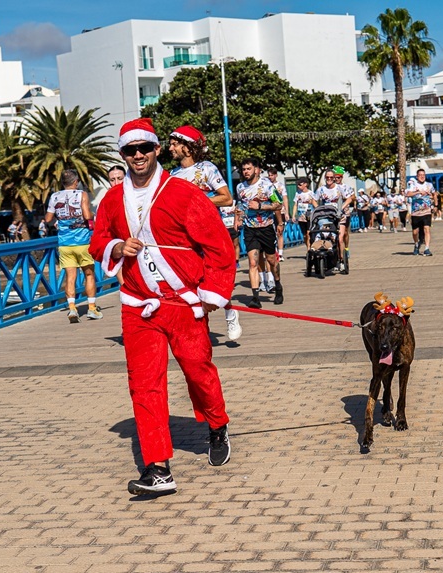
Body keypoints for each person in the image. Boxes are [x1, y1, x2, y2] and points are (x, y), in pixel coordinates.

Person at [88, 118, 235, 495]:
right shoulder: (111, 198)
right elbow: (99, 239)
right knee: (144, 385)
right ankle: (158, 469)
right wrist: (117, 248)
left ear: (156, 150)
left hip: (184, 304)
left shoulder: (183, 193)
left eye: (144, 148)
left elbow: (220, 247)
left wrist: (213, 293)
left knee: (198, 371)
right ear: (122, 155)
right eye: (129, 150)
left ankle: (217, 425)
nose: (137, 155)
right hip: (137, 306)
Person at [168, 125, 241, 341]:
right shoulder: (173, 174)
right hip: (183, 236)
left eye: (174, 144)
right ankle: (200, 329)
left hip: (208, 233)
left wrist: (198, 202)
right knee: (190, 281)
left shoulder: (206, 168)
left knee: (214, 277)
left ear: (188, 148)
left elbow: (226, 198)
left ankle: (230, 312)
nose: (170, 148)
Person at [45, 169, 101, 323]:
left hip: (64, 243)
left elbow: (48, 218)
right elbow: (87, 215)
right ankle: (91, 308)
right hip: (82, 242)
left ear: (63, 182)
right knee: (89, 274)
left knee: (70, 276)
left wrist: (61, 217)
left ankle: (72, 309)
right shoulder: (81, 194)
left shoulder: (55, 196)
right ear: (76, 181)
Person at [235, 157, 283, 308]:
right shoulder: (240, 187)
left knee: (271, 260)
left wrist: (261, 205)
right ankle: (255, 297)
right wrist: (237, 218)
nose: (246, 172)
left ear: (256, 169)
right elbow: (241, 206)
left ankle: (278, 286)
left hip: (266, 227)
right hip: (250, 229)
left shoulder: (267, 186)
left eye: (248, 169)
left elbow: (278, 204)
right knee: (253, 262)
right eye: (243, 169)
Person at [406, 168, 436, 256]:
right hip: (416, 212)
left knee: (427, 229)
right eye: (420, 175)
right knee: (415, 232)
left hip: (426, 211)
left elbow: (434, 194)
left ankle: (427, 248)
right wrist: (418, 191)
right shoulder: (413, 185)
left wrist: (435, 205)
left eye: (423, 175)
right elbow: (408, 194)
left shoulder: (429, 185)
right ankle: (416, 244)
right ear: (417, 176)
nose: (422, 177)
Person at [266, 167, 290, 261]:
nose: (270, 177)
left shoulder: (280, 186)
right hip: (269, 211)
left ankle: (280, 253)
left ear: (276, 175)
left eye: (272, 175)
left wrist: (287, 212)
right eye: (269, 175)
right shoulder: (266, 185)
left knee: (279, 232)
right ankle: (273, 251)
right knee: (271, 233)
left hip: (281, 211)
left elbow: (285, 199)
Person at [292, 177, 317, 250]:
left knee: (309, 233)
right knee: (305, 236)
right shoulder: (297, 193)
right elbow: (295, 204)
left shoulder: (311, 193)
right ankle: (308, 247)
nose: (298, 186)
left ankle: (309, 250)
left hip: (310, 217)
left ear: (305, 184)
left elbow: (316, 204)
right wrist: (293, 215)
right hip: (301, 218)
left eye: (300, 184)